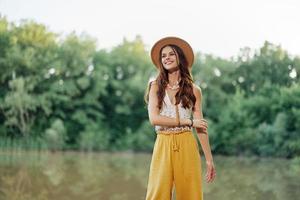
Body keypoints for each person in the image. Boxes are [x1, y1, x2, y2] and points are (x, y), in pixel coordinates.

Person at [144, 36, 216, 200]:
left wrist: (209, 160)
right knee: (157, 194)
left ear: (180, 58)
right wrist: (187, 121)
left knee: (191, 195)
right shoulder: (155, 86)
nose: (166, 58)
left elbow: (201, 127)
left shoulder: (194, 90)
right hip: (163, 142)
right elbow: (154, 119)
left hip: (187, 144)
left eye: (171, 54)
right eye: (163, 56)